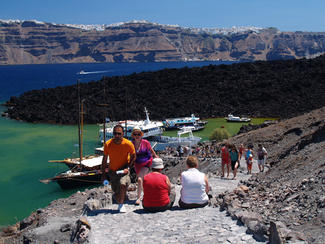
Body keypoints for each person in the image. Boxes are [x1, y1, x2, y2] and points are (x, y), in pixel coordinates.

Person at [101, 124, 136, 213]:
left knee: (122, 184)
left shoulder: (128, 144)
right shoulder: (108, 144)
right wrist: (104, 175)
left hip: (124, 169)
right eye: (115, 133)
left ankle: (121, 204)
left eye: (119, 133)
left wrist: (128, 167)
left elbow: (134, 156)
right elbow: (104, 160)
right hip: (113, 171)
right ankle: (119, 197)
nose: (117, 136)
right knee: (116, 191)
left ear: (123, 134)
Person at [131, 126, 158, 205]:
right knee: (143, 180)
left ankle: (138, 198)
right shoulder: (131, 143)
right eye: (135, 134)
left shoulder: (145, 142)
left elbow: (151, 150)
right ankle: (146, 194)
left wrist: (156, 157)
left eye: (138, 134)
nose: (137, 136)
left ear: (141, 135)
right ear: (133, 135)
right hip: (137, 164)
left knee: (139, 179)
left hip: (147, 162)